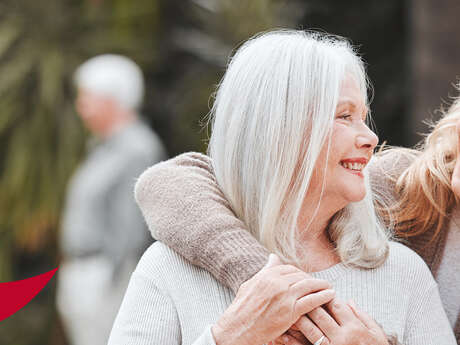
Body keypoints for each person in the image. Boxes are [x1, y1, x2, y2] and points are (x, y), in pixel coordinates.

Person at [109, 30, 455, 345]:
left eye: (362, 118)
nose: (371, 138)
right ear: (278, 131)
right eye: (345, 116)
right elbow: (167, 182)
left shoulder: (402, 272)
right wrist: (228, 338)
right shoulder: (171, 267)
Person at [56, 54, 167, 345]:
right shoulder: (101, 148)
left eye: (87, 97)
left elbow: (130, 227)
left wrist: (113, 283)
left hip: (107, 277)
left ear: (112, 99)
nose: (81, 107)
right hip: (84, 273)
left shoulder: (137, 148)